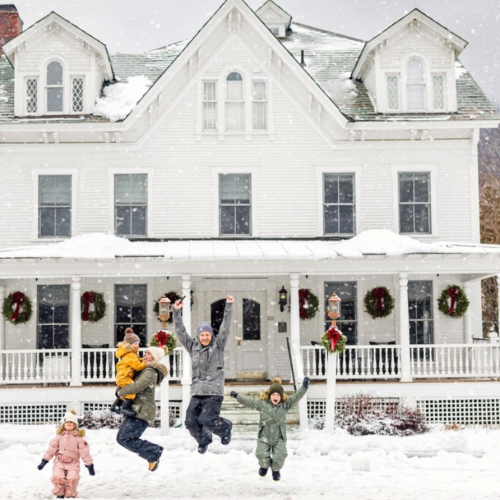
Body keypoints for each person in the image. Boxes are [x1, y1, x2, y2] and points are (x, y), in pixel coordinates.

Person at [173, 295, 234, 454]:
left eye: (207, 334)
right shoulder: (193, 347)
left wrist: (228, 306)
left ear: (211, 336)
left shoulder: (218, 346)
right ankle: (204, 440)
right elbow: (181, 332)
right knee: (190, 422)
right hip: (197, 391)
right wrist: (176, 312)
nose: (205, 337)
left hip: (213, 392)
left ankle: (225, 428)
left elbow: (225, 327)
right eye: (202, 335)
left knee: (206, 420)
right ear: (198, 336)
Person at [230, 376, 310, 482]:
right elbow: (249, 401)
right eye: (273, 394)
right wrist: (237, 396)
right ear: (269, 396)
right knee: (261, 454)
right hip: (264, 435)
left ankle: (275, 470)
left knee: (280, 456)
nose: (275, 396)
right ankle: (264, 466)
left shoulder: (285, 406)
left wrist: (304, 387)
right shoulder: (262, 405)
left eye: (277, 395)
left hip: (279, 437)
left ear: (281, 397)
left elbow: (296, 397)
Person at [116, 346, 168, 472]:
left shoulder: (150, 371)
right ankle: (152, 454)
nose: (145, 355)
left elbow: (137, 386)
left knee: (125, 438)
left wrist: (121, 392)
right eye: (145, 352)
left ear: (154, 358)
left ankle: (154, 452)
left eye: (149, 354)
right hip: (136, 409)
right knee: (121, 438)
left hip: (143, 411)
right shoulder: (142, 369)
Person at [37, 409, 95, 498]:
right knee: (57, 477)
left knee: (73, 478)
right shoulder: (58, 437)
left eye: (71, 422)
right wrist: (44, 461)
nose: (69, 423)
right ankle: (59, 494)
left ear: (75, 425)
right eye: (67, 422)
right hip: (59, 462)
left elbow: (85, 452)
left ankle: (70, 495)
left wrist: (89, 465)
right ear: (63, 425)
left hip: (73, 463)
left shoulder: (79, 439)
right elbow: (51, 449)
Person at [111, 327, 146, 417]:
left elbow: (136, 361)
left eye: (138, 344)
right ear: (129, 344)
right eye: (135, 343)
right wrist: (147, 363)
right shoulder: (130, 355)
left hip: (123, 376)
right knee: (132, 389)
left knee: (126, 391)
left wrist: (142, 360)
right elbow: (137, 366)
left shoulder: (131, 354)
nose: (137, 345)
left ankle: (116, 405)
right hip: (124, 377)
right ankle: (125, 408)